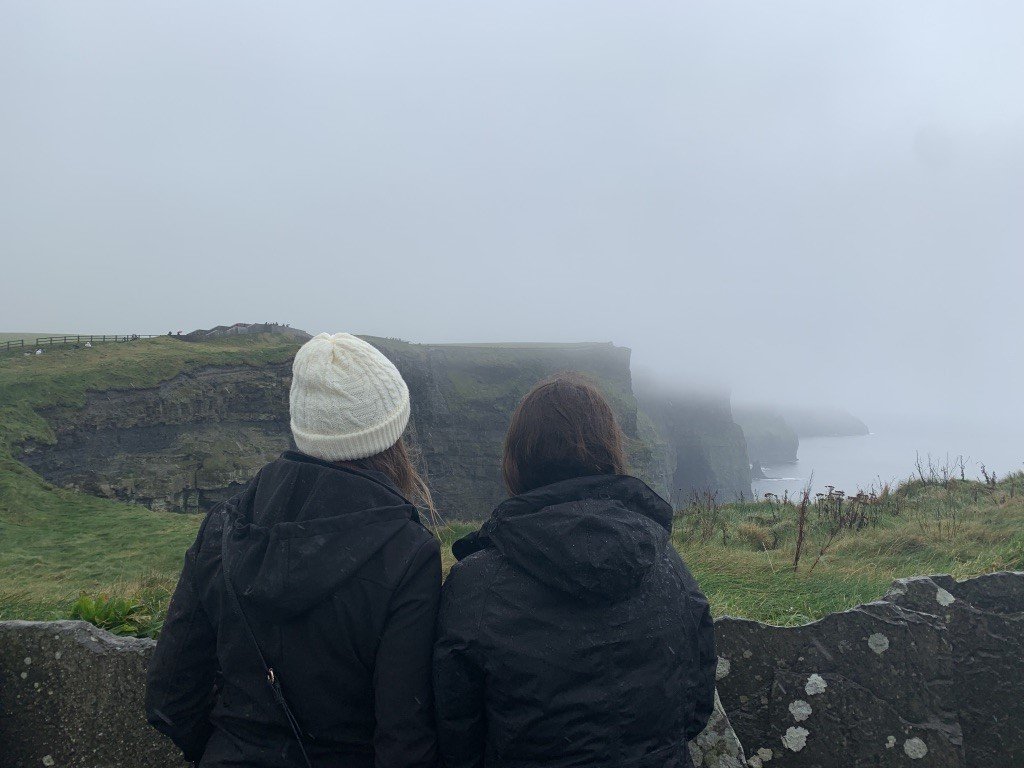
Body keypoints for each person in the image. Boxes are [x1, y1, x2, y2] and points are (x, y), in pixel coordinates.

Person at [147, 333, 441, 768]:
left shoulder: (224, 526)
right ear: (392, 434)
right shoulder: (408, 553)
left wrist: (229, 749)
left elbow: (169, 695)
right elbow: (405, 736)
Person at [434, 373, 717, 768]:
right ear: (611, 450)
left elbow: (456, 735)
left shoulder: (476, 584)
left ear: (517, 458)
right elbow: (695, 709)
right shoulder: (666, 564)